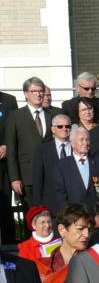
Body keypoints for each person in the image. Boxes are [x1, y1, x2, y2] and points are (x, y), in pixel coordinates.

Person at [5, 76, 54, 204]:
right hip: (27, 177)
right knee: (32, 217)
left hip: (51, 176)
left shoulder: (53, 114)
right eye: (34, 91)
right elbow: (11, 150)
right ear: (26, 94)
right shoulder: (15, 116)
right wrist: (15, 178)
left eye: (41, 90)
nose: (38, 94)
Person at [45, 126, 99, 213]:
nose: (85, 143)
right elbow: (60, 195)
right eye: (81, 140)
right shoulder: (62, 166)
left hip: (96, 215)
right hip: (73, 216)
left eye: (87, 140)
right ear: (73, 143)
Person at [29, 113, 73, 208]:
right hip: (51, 204)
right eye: (60, 126)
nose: (64, 129)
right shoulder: (42, 150)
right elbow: (37, 179)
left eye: (67, 126)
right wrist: (38, 205)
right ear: (53, 129)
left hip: (75, 204)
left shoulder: (77, 148)